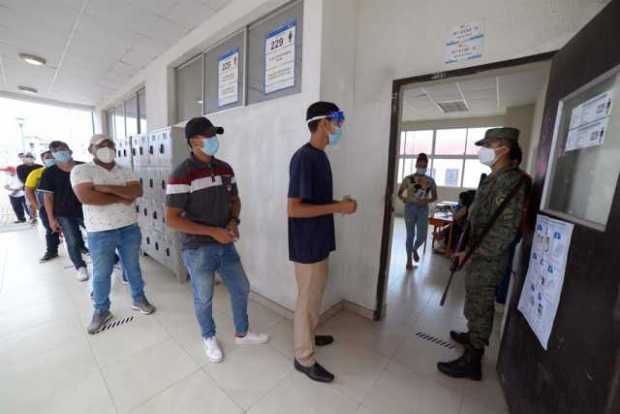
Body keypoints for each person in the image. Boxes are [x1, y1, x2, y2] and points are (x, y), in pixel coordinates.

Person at [165, 117, 269, 364]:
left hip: (225, 242)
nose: (214, 140)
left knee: (241, 287)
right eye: (208, 136)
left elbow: (235, 200)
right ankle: (208, 336)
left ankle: (242, 333)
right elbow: (172, 219)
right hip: (197, 248)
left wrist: (233, 222)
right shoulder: (181, 175)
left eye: (215, 135)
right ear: (193, 142)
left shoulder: (225, 168)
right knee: (204, 296)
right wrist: (212, 232)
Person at [437, 127, 527, 381]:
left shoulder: (511, 181)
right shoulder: (493, 177)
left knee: (481, 301)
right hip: (478, 251)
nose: (483, 150)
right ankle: (472, 336)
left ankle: (473, 360)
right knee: (475, 299)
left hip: (488, 256)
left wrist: (471, 253)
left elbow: (504, 232)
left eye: (489, 144)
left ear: (504, 149)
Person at [288, 101, 358, 383]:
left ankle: (311, 334)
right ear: (323, 123)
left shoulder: (321, 156)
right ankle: (303, 357)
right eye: (336, 120)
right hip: (307, 244)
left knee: (315, 295)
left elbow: (316, 202)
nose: (339, 126)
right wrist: (337, 208)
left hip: (319, 240)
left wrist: (339, 205)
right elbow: (294, 209)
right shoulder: (304, 158)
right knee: (306, 300)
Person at [72, 135, 156, 334]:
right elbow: (87, 197)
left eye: (110, 144)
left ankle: (139, 298)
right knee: (102, 273)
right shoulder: (81, 170)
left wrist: (107, 188)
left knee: (133, 267)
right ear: (91, 149)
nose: (107, 148)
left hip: (129, 227)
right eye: (101, 145)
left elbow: (137, 191)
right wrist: (122, 194)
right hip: (99, 231)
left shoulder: (125, 170)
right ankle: (101, 310)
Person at [38, 141, 90, 281]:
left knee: (97, 236)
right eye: (55, 151)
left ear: (70, 150)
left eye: (62, 149)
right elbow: (47, 197)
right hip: (64, 212)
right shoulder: (50, 172)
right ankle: (80, 266)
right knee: (72, 240)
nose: (60, 153)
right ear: (53, 155)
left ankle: (112, 259)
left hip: (87, 210)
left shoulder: (84, 167)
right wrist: (51, 219)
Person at [397, 153, 438, 269]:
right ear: (416, 164)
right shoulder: (408, 179)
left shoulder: (430, 181)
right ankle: (409, 260)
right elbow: (399, 193)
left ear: (427, 167)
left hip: (423, 209)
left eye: (424, 166)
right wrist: (403, 199)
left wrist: (427, 201)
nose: (421, 168)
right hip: (410, 208)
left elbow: (435, 197)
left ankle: (414, 249)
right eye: (420, 165)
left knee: (422, 236)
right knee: (410, 235)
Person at [24, 151, 61, 262]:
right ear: (43, 160)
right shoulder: (36, 173)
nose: (50, 159)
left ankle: (80, 247)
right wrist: (37, 206)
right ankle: (52, 251)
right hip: (45, 207)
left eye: (52, 156)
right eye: (47, 157)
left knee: (72, 228)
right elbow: (28, 190)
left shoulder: (63, 170)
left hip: (65, 206)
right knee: (50, 229)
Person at [16, 152, 42, 223]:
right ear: (24, 158)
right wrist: (32, 184)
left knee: (42, 202)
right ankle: (33, 218)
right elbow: (22, 179)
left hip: (40, 187)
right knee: (30, 204)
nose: (29, 158)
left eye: (31, 156)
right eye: (27, 156)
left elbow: (43, 176)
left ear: (34, 158)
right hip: (28, 188)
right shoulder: (20, 168)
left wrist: (38, 184)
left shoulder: (39, 166)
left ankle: (44, 214)